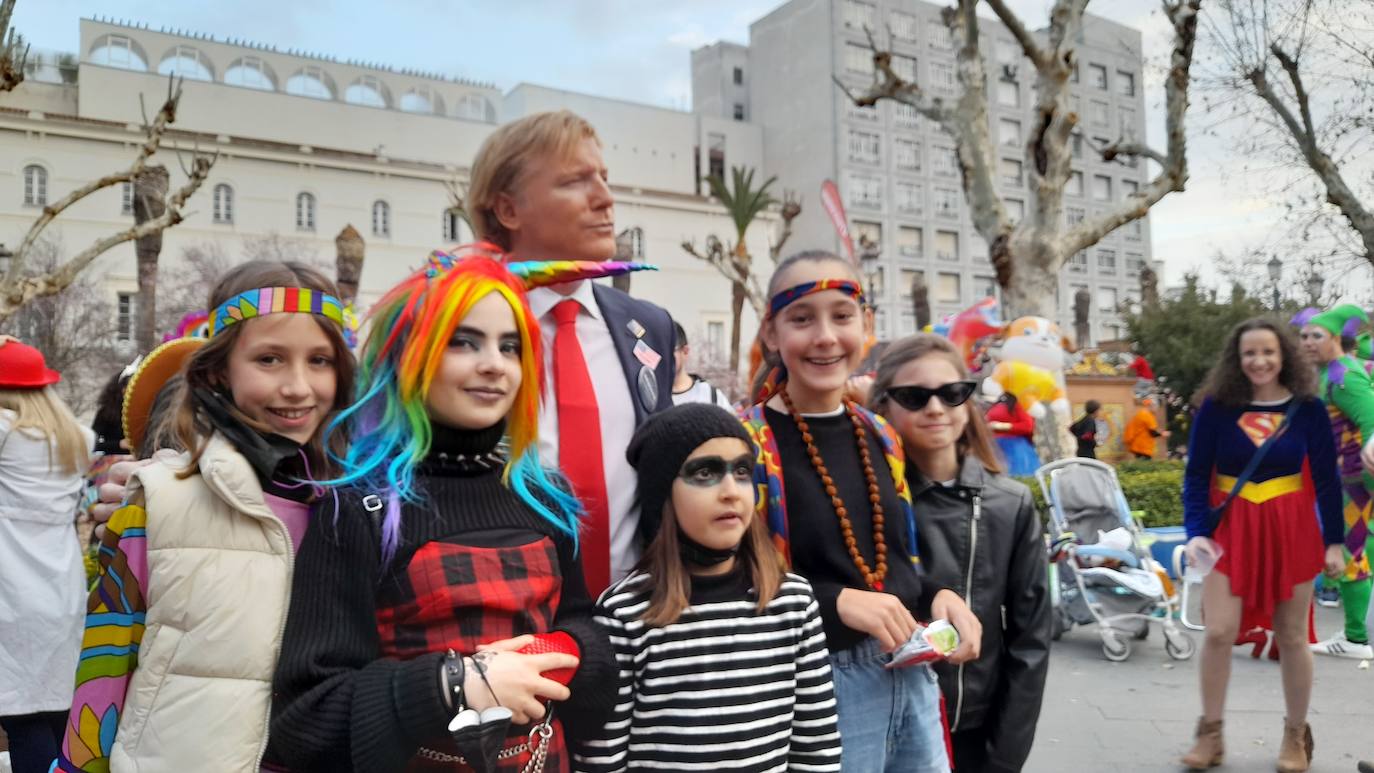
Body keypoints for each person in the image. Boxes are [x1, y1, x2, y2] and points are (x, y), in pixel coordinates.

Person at [269, 252, 619, 772]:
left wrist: (566, 650)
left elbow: (584, 630)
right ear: (409, 356)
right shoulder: (358, 508)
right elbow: (304, 717)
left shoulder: (547, 497)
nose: (493, 365)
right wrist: (456, 684)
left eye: (510, 346)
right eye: (463, 341)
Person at [53, 261, 355, 773]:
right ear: (219, 369)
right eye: (269, 359)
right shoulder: (156, 500)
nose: (298, 387)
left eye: (320, 360)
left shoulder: (362, 510)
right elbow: (106, 667)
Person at [739, 250, 981, 773]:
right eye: (802, 318)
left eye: (842, 316)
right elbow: (726, 580)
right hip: (816, 687)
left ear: (866, 326)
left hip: (911, 670)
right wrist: (832, 601)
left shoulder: (882, 435)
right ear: (773, 334)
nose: (825, 336)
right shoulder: (745, 444)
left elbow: (898, 554)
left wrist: (941, 594)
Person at [467, 110, 676, 597]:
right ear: (508, 210)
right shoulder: (452, 327)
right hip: (509, 624)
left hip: (641, 621)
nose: (606, 199)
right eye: (576, 182)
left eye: (603, 178)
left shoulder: (649, 329)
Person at [575, 403, 841, 771]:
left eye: (743, 471)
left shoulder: (792, 601)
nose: (732, 490)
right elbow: (602, 759)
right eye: (705, 472)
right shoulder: (626, 615)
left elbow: (817, 747)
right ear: (662, 495)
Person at [870, 334, 1050, 773]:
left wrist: (1005, 758)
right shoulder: (870, 501)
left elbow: (1031, 641)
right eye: (914, 396)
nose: (935, 408)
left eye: (951, 393)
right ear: (885, 407)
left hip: (974, 726)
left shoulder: (1011, 504)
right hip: (882, 723)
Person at [1179, 318, 1345, 773]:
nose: (1259, 361)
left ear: (1284, 356)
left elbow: (1328, 481)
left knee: (1291, 635)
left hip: (1290, 526)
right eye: (1249, 353)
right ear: (1237, 359)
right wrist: (1196, 531)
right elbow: (1196, 476)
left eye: (1268, 352)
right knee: (1217, 631)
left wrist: (1334, 541)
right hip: (1231, 528)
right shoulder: (1216, 407)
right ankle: (1210, 733)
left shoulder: (1308, 408)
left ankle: (1296, 735)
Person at [0, 343, 94, 773]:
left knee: (21, 717)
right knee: (59, 711)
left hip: (10, 591)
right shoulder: (76, 437)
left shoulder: (4, 432)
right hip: (62, 589)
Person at [1299, 305, 1374, 660]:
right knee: (1355, 547)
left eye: (1317, 336)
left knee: (1350, 551)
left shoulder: (1344, 374)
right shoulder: (1332, 372)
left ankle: (1356, 638)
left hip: (1352, 480)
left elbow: (1370, 413)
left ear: (1334, 338)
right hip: (1342, 477)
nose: (1308, 342)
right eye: (1304, 336)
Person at [669, 320, 734, 409]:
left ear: (685, 352)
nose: (663, 357)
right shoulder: (649, 398)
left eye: (669, 351)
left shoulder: (710, 396)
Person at [986, 391, 1039, 476]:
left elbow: (1027, 426)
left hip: (1015, 447)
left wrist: (1000, 426)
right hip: (995, 446)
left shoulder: (1020, 402)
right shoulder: (999, 400)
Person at [1124, 395, 1169, 460]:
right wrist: (1163, 434)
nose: (1157, 409)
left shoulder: (1141, 413)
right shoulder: (1147, 416)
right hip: (1143, 447)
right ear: (1152, 406)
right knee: (1145, 465)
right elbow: (1152, 433)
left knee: (1140, 464)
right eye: (1156, 407)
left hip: (1137, 445)